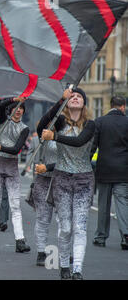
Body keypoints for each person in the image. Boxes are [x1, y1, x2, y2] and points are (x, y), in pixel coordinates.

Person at [40, 88, 95, 280]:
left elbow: (79, 141)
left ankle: (77, 269)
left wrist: (54, 137)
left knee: (79, 227)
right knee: (65, 228)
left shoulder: (90, 124)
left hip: (84, 180)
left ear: (84, 103)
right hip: (61, 179)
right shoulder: (60, 122)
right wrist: (59, 101)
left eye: (79, 96)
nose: (76, 97)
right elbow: (42, 127)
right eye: (72, 96)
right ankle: (64, 264)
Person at [0, 97, 31, 253]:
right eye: (15, 107)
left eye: (20, 108)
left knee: (15, 205)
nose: (18, 110)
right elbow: (1, 105)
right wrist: (14, 99)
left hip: (12, 167)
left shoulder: (25, 129)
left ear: (23, 111)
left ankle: (20, 241)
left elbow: (17, 149)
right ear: (10, 110)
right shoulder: (3, 122)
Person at [91, 95, 128, 250]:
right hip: (123, 170)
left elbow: (93, 146)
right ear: (123, 106)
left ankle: (101, 236)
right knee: (122, 203)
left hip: (104, 169)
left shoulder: (99, 122)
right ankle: (125, 235)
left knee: (103, 205)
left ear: (111, 105)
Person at [31, 122, 58, 266]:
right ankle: (41, 252)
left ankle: (66, 252)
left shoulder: (65, 136)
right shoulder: (41, 136)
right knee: (42, 218)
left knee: (64, 220)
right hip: (42, 180)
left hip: (61, 180)